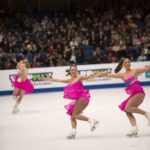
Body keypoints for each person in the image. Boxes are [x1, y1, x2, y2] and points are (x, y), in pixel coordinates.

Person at [42, 64, 107, 139]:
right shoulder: (69, 80)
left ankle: (92, 120)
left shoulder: (79, 77)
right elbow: (58, 80)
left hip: (82, 98)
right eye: (72, 70)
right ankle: (73, 131)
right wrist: (47, 79)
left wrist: (100, 74)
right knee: (72, 116)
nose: (73, 71)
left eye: (74, 70)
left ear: (77, 71)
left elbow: (90, 76)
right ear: (70, 71)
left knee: (74, 115)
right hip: (78, 99)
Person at [96, 58, 150, 137]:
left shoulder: (135, 70)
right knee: (127, 110)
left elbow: (147, 68)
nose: (128, 63)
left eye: (129, 62)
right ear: (123, 65)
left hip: (139, 92)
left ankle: (147, 114)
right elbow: (109, 75)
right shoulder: (122, 75)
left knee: (128, 107)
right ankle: (134, 128)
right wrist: (99, 73)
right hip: (133, 95)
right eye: (126, 62)